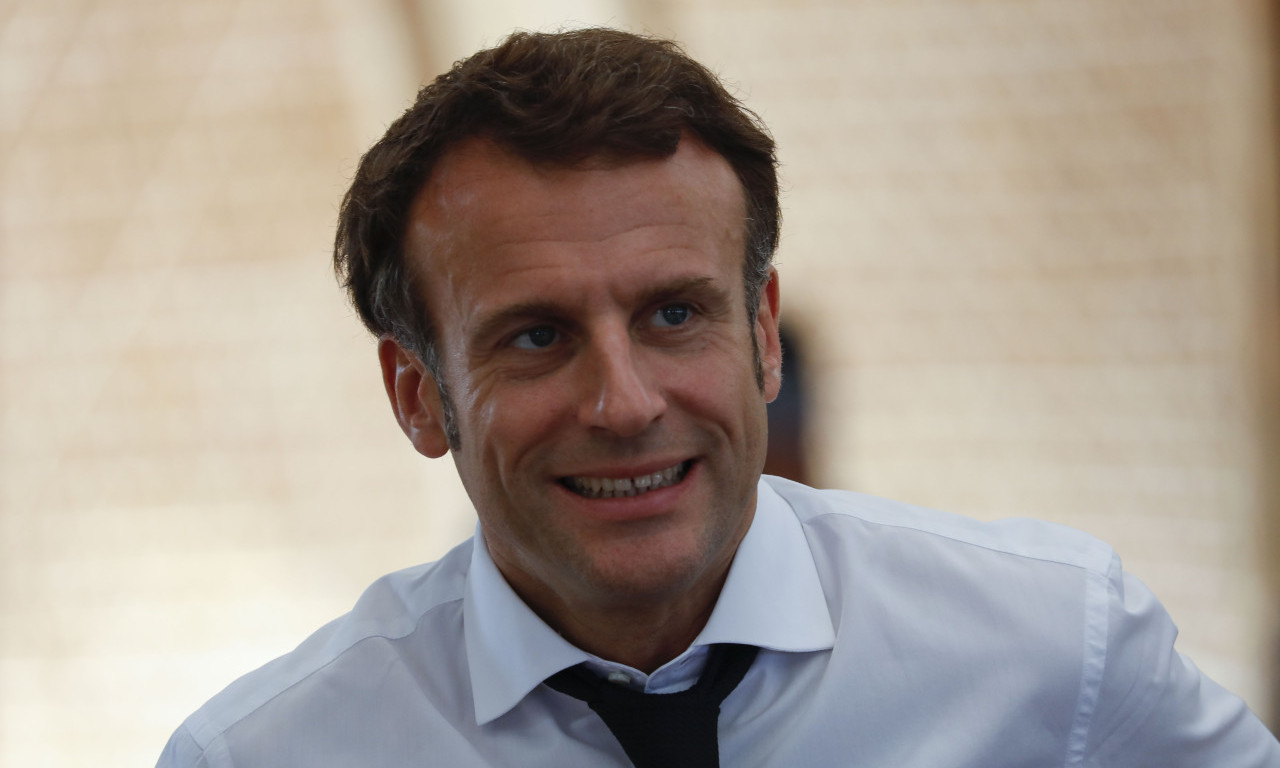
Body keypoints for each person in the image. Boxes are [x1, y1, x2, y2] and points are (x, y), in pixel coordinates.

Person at [157, 27, 1280, 767]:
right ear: (416, 394)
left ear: (762, 334)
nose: (624, 402)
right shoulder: (266, 756)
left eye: (673, 315)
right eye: (537, 337)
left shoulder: (1057, 654)